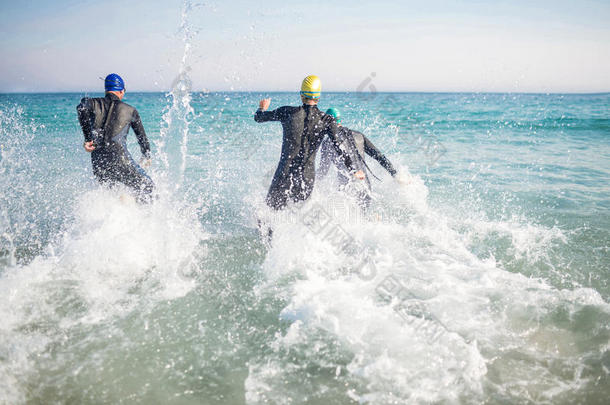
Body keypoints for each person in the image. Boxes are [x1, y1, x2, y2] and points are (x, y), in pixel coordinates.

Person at [254, 75, 365, 210]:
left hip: (284, 174)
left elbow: (258, 118)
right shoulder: (327, 120)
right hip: (306, 178)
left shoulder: (287, 112)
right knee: (298, 216)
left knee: (269, 215)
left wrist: (262, 108)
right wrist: (354, 169)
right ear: (318, 97)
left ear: (301, 95)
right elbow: (339, 145)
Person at [77, 73, 154, 203]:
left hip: (98, 162)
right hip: (120, 159)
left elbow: (81, 109)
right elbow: (142, 139)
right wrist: (146, 156)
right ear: (121, 91)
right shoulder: (130, 110)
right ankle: (144, 219)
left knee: (111, 196)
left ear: (106, 90)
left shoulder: (91, 102)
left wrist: (88, 139)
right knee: (148, 187)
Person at [318, 107, 397, 209]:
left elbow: (323, 171)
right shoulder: (358, 135)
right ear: (340, 120)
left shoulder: (328, 142)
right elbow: (378, 156)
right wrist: (394, 173)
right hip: (365, 185)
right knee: (364, 218)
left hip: (347, 189)